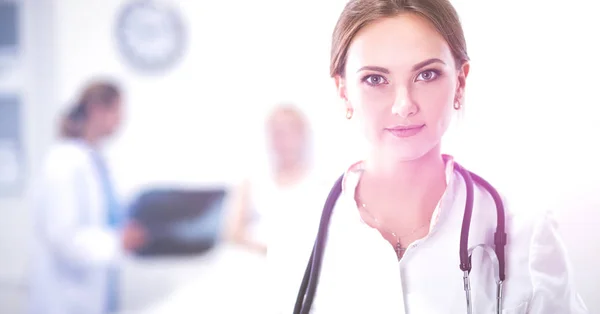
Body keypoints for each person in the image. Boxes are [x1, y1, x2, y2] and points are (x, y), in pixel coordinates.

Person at [276, 0, 589, 313]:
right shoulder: (298, 230)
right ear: (343, 91)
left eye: (426, 75)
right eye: (375, 79)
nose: (404, 105)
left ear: (460, 83)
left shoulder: (526, 234)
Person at [29, 80, 146, 314]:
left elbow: (105, 218)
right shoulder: (64, 162)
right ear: (96, 110)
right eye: (117, 111)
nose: (122, 119)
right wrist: (117, 242)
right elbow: (63, 237)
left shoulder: (95, 160)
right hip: (66, 301)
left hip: (96, 296)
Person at [224, 104, 321, 255]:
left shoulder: (321, 182)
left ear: (303, 135)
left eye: (291, 132)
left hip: (303, 261)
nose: (284, 141)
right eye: (278, 133)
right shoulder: (252, 181)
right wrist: (268, 251)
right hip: (256, 259)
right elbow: (233, 232)